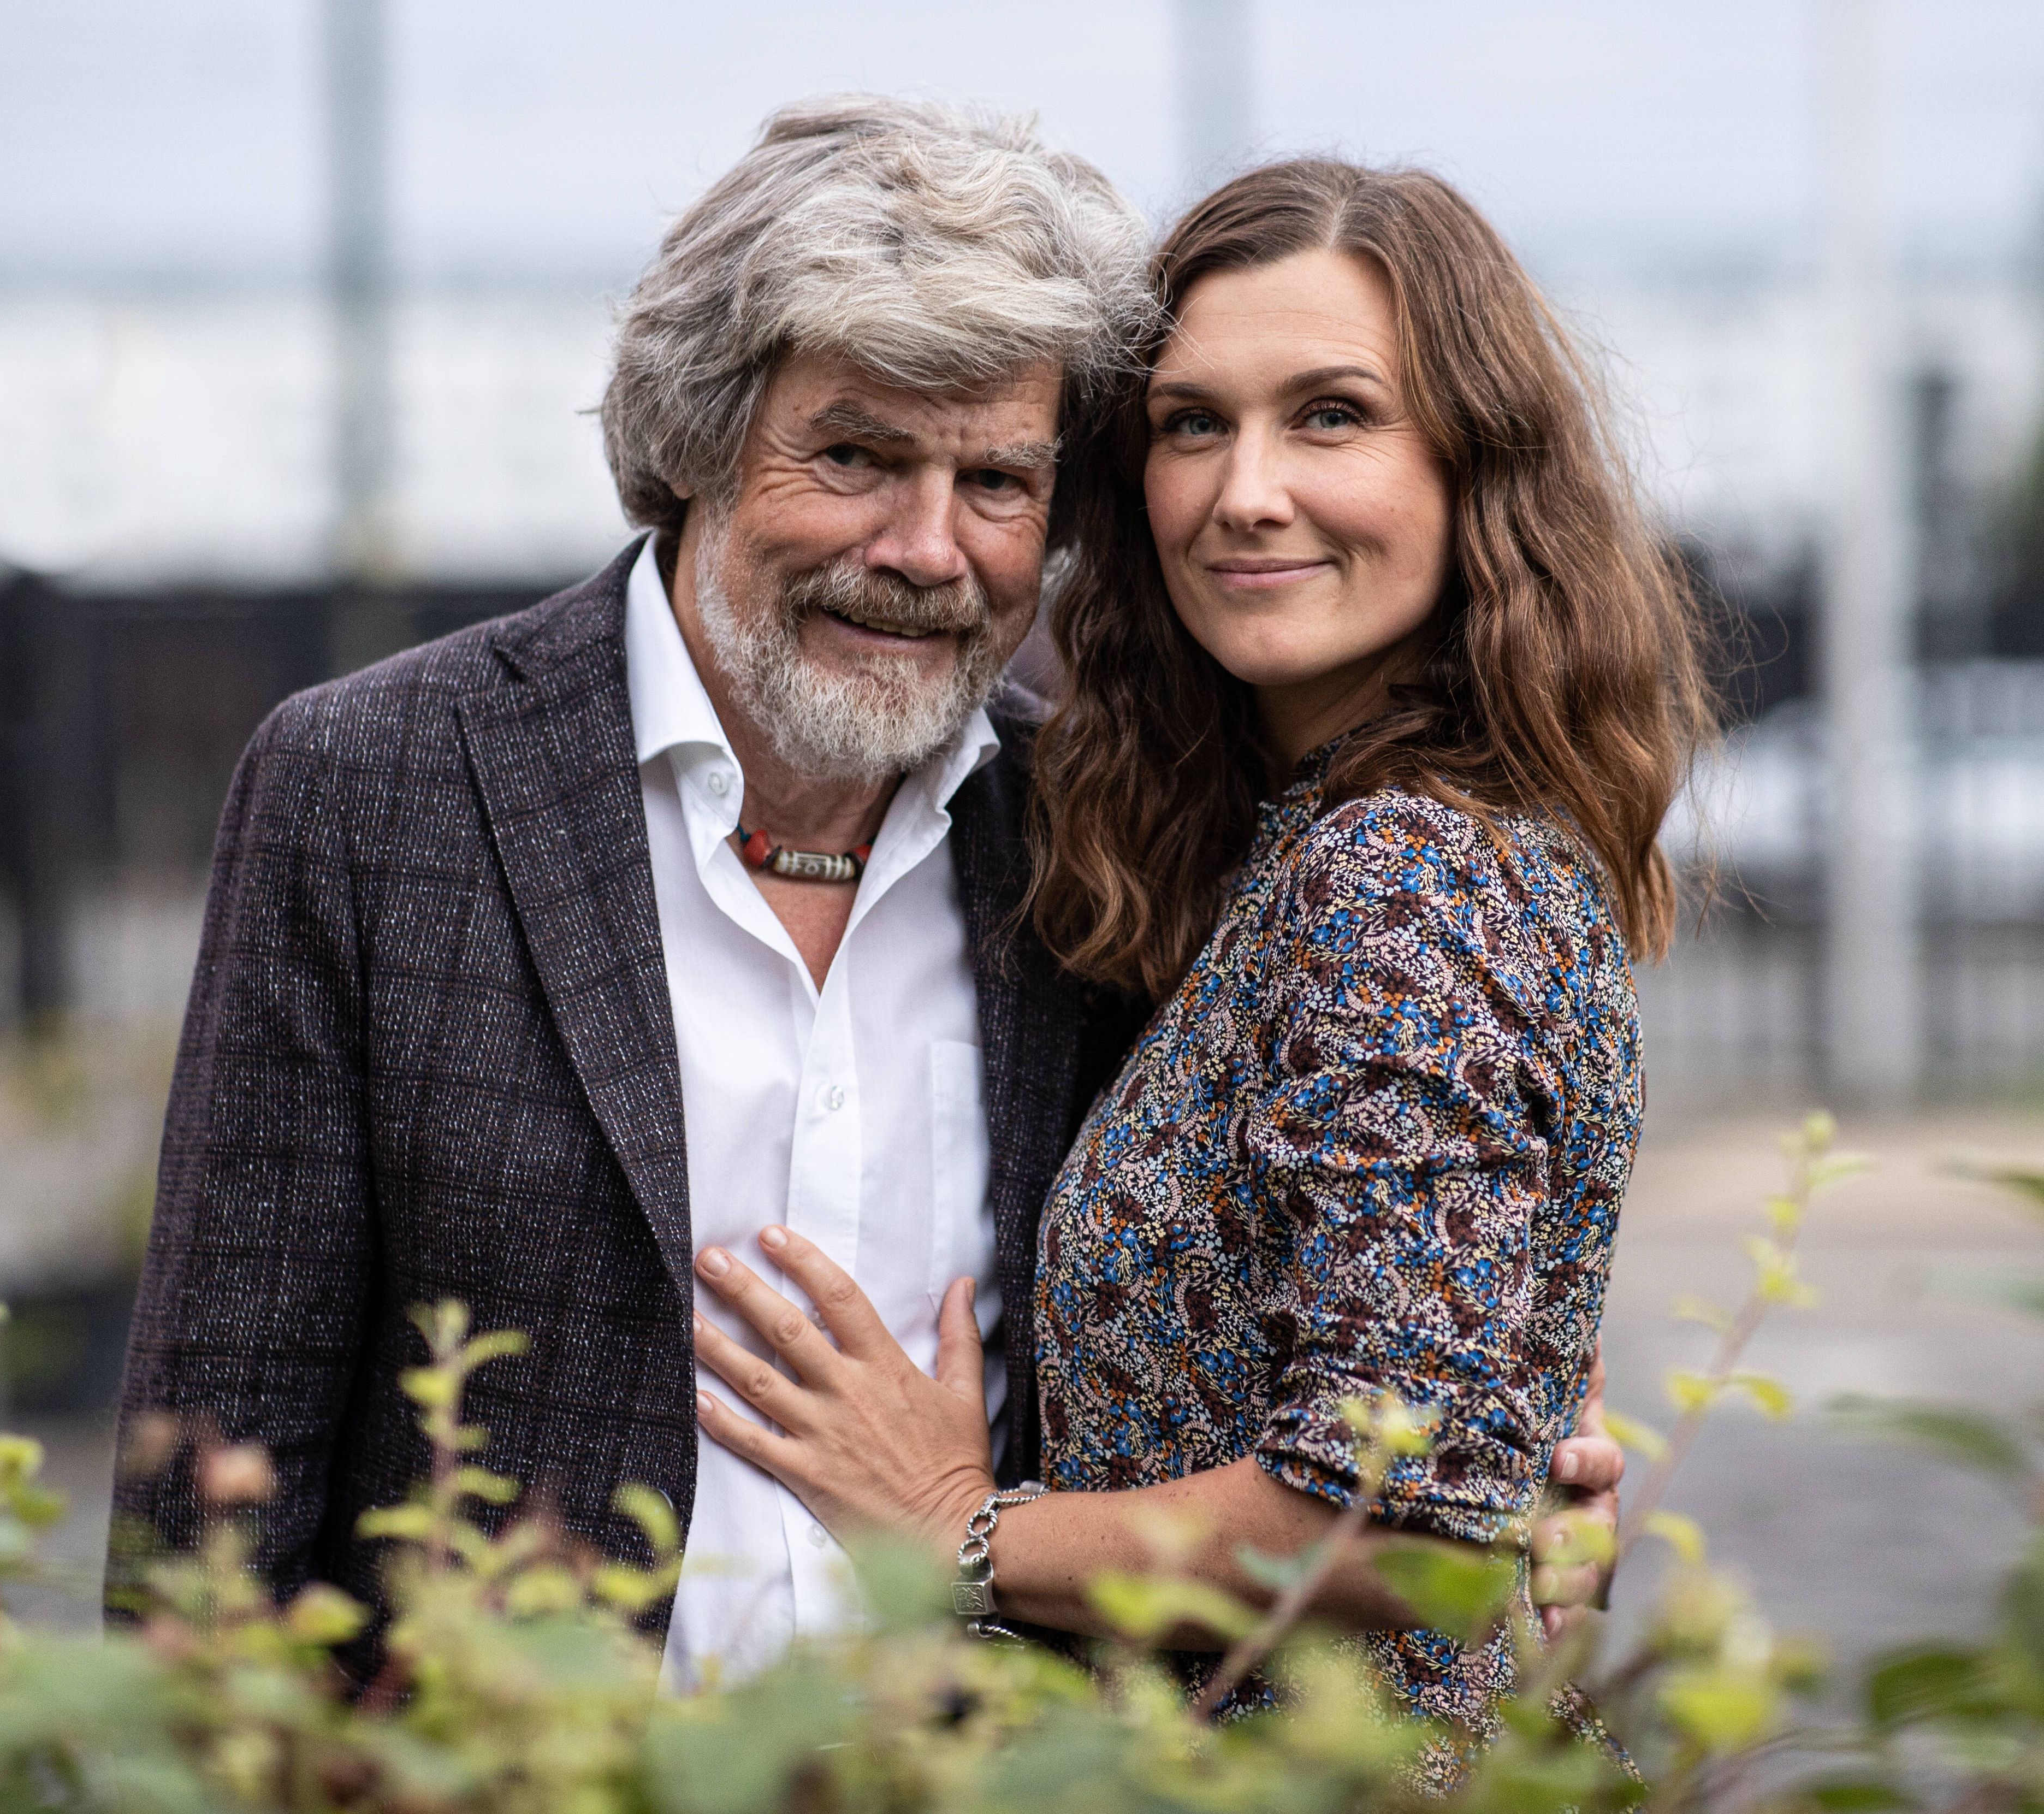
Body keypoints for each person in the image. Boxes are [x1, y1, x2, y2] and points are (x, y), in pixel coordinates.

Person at [111, 104, 1622, 1689]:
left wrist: (1512, 1466)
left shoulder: (1099, 833)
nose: (925, 548)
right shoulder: (378, 786)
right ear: (696, 437)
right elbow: (214, 1464)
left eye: (998, 479)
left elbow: (1350, 1355)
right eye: (854, 456)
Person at [683, 155, 1708, 1752]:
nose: (1246, 491)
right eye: (1191, 423)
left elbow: (1405, 1522)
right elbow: (1463, 1458)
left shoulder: (1404, 874)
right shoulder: (1292, 849)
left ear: (1476, 468)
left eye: (1332, 416)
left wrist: (958, 1525)